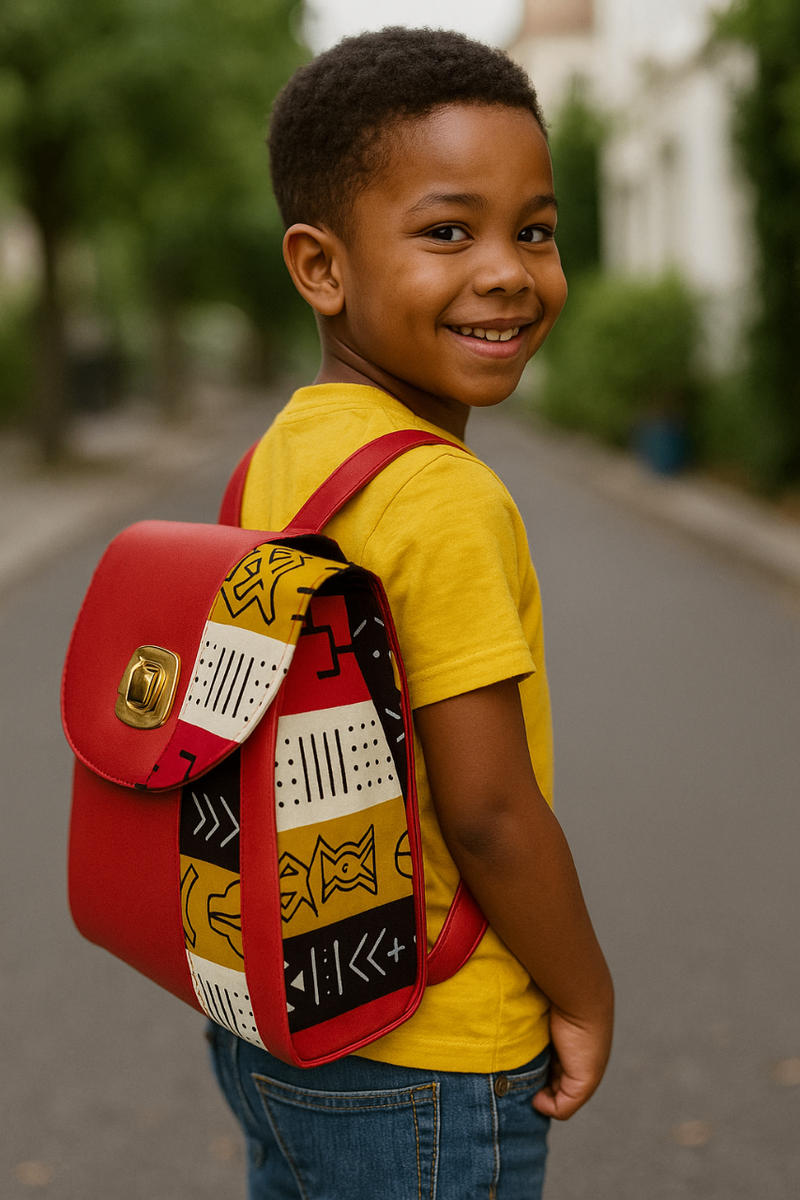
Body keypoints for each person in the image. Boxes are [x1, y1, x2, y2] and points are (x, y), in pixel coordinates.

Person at [207, 26, 614, 1200]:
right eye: (447, 232)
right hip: (431, 1045)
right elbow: (487, 813)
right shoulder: (436, 493)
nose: (505, 270)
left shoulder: (289, 449)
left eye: (532, 230)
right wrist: (581, 993)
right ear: (320, 267)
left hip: (283, 1011)